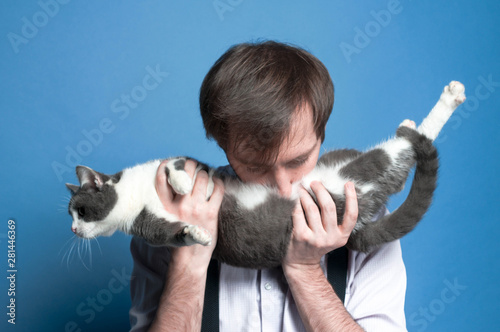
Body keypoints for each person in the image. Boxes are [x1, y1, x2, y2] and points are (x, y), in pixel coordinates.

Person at [129, 41, 407, 331]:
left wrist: (305, 270)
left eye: (299, 160)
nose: (283, 189)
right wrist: (188, 265)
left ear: (321, 133)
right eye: (255, 166)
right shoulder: (170, 222)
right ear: (224, 147)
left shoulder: (366, 220)